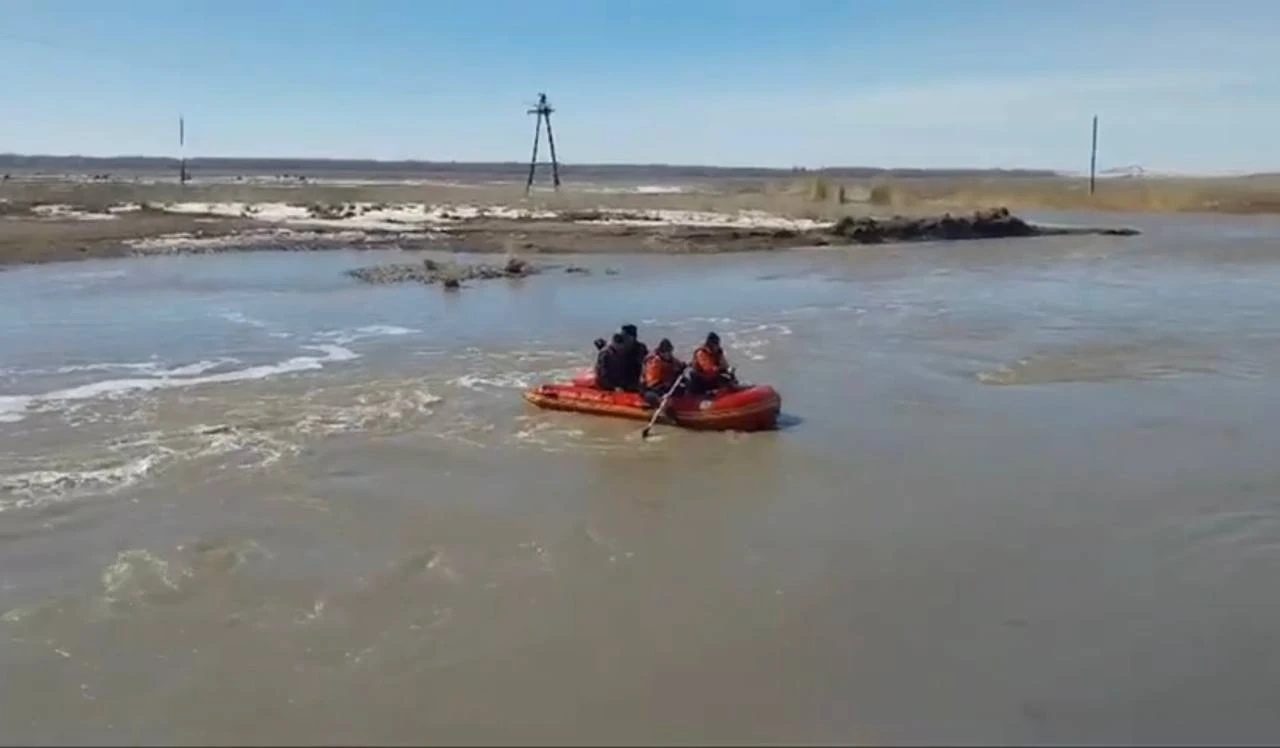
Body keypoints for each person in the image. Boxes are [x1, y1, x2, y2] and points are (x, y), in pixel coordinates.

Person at [641, 338, 687, 408]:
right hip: (652, 389)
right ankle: (663, 407)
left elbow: (679, 365)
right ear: (661, 352)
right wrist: (664, 389)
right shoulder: (654, 362)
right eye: (666, 352)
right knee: (651, 396)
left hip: (667, 387)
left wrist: (683, 367)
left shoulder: (671, 360)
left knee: (683, 387)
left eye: (670, 352)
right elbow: (651, 383)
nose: (668, 354)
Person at [617, 323, 649, 392]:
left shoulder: (640, 348)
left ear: (631, 337)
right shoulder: (620, 348)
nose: (622, 338)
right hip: (621, 381)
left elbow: (645, 365)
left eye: (624, 336)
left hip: (634, 380)